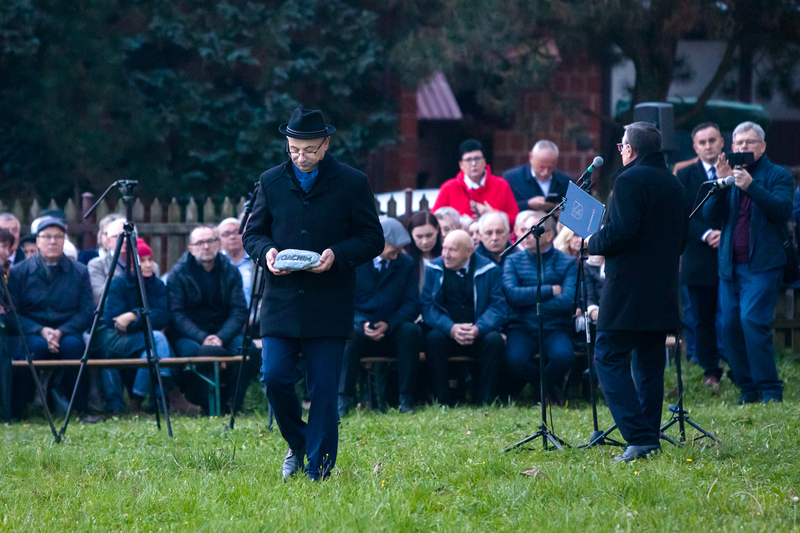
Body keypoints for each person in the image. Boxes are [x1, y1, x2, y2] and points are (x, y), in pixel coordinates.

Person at [242, 107, 384, 481]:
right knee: (273, 376)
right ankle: (299, 441)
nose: (299, 157)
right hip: (281, 300)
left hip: (329, 301)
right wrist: (266, 253)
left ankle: (318, 471)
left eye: (307, 150)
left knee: (324, 390)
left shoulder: (352, 183)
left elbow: (372, 239)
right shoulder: (270, 181)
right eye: (292, 150)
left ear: (325, 144)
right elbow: (252, 234)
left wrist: (336, 255)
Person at [587, 122, 688, 462]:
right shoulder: (674, 183)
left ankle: (640, 435)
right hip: (661, 288)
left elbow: (622, 233)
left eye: (620, 146)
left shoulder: (628, 180)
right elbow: (681, 240)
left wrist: (592, 241)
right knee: (648, 364)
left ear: (628, 149)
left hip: (627, 288)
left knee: (608, 357)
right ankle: (649, 438)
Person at [706, 121, 794, 404]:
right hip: (730, 266)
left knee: (752, 321)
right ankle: (748, 389)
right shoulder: (729, 175)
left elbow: (782, 210)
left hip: (763, 264)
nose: (744, 148)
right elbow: (711, 215)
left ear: (763, 146)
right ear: (732, 148)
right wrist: (721, 184)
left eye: (750, 143)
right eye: (739, 143)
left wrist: (752, 187)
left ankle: (770, 389)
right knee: (730, 326)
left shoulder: (777, 175)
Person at [6, 216, 97, 421]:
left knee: (75, 347)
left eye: (58, 237)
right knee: (34, 349)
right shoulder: (19, 272)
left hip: (67, 329)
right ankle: (19, 408)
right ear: (37, 241)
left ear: (65, 240)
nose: (53, 241)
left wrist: (61, 331)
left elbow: (87, 311)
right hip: (32, 330)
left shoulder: (80, 271)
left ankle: (82, 409)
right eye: (47, 237)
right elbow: (13, 312)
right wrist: (41, 330)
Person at [103, 239, 201, 416]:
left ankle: (136, 406)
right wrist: (146, 321)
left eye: (150, 259)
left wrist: (134, 315)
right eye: (142, 260)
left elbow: (163, 316)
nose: (148, 264)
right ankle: (173, 395)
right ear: (132, 263)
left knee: (151, 350)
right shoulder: (119, 285)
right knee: (158, 338)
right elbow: (113, 321)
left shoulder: (157, 286)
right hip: (119, 342)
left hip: (146, 341)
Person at [339, 218, 421, 416]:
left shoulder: (406, 264)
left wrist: (389, 324)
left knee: (411, 332)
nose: (400, 251)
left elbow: (412, 303)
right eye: (395, 246)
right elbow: (342, 301)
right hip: (359, 326)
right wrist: (361, 322)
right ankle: (342, 401)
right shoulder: (355, 260)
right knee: (347, 336)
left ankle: (406, 399)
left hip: (390, 328)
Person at [168, 225, 251, 411]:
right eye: (199, 243)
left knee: (247, 349)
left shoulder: (230, 271)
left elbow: (239, 311)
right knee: (193, 353)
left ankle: (232, 402)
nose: (205, 246)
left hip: (224, 333)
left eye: (210, 241)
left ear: (218, 243)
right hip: (190, 335)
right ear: (191, 248)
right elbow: (176, 314)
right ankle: (204, 404)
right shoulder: (178, 273)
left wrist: (220, 337)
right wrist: (203, 338)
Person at [421, 230, 506, 406]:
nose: (446, 254)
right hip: (448, 333)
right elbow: (427, 307)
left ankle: (485, 400)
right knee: (433, 338)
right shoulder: (434, 268)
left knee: (495, 340)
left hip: (478, 332)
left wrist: (478, 329)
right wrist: (450, 328)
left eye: (452, 250)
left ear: (468, 252)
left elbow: (497, 307)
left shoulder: (490, 270)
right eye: (444, 248)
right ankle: (442, 400)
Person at [503, 213, 576, 405]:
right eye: (524, 230)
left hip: (555, 326)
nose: (527, 235)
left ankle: (540, 389)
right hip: (522, 326)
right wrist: (550, 290)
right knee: (515, 360)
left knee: (564, 356)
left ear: (550, 235)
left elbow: (568, 300)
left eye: (533, 231)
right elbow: (512, 295)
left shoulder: (567, 262)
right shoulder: (512, 261)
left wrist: (529, 303)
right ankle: (547, 389)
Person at [676, 122, 726, 392]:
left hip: (733, 254)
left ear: (721, 142)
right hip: (699, 255)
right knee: (703, 318)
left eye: (712, 140)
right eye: (702, 142)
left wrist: (724, 234)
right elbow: (682, 213)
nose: (708, 146)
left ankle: (740, 366)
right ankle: (711, 370)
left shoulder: (735, 172)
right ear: (695, 147)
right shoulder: (684, 175)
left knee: (733, 314)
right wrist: (707, 233)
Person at [432, 139, 519, 228]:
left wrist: (494, 215)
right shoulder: (449, 188)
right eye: (468, 160)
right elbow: (434, 219)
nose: (473, 163)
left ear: (484, 161)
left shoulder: (501, 185)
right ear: (461, 165)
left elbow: (516, 219)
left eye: (477, 158)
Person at [503, 140, 572, 214]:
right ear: (531, 157)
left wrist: (556, 208)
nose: (545, 172)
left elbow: (572, 210)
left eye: (550, 168)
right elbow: (503, 208)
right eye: (541, 167)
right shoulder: (512, 177)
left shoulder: (565, 181)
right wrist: (528, 204)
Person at [218, 217, 255, 307]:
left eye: (237, 232)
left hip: (256, 317)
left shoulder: (256, 260)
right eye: (226, 234)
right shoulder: (216, 262)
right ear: (219, 241)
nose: (232, 237)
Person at [405, 211, 443, 293]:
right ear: (411, 234)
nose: (425, 241)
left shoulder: (447, 256)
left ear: (437, 229)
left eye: (429, 235)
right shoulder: (405, 260)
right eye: (419, 236)